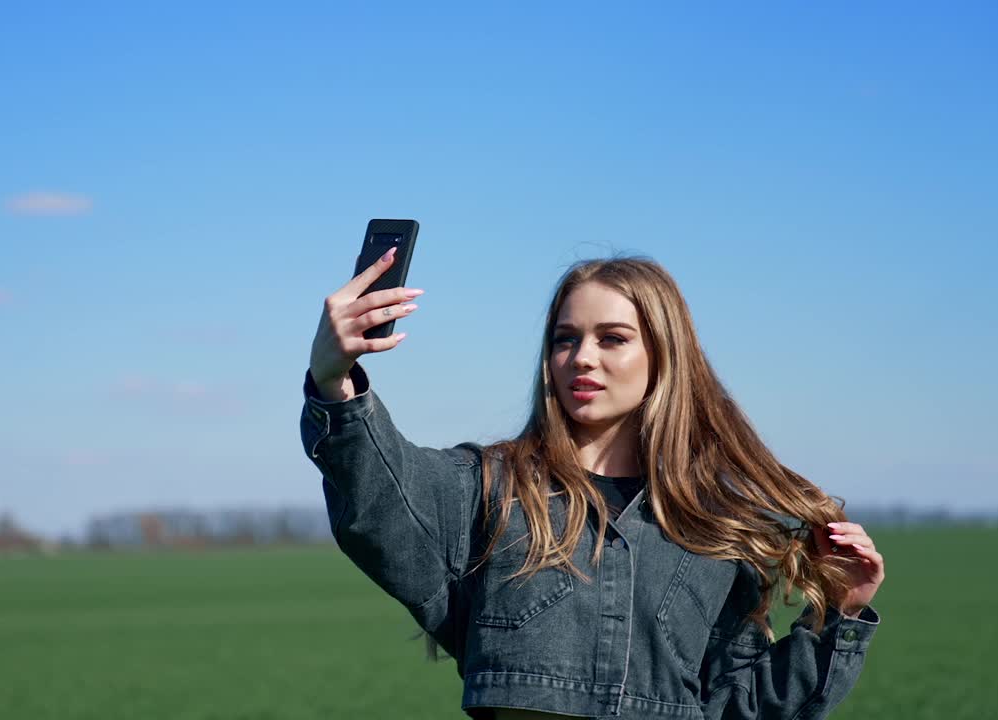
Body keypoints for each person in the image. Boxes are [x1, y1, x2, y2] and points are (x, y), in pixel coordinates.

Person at [300, 248, 884, 720]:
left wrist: (842, 614)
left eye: (612, 338)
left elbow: (740, 706)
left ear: (663, 354)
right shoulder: (489, 489)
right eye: (565, 338)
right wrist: (334, 381)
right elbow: (377, 501)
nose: (582, 357)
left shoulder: (714, 529)